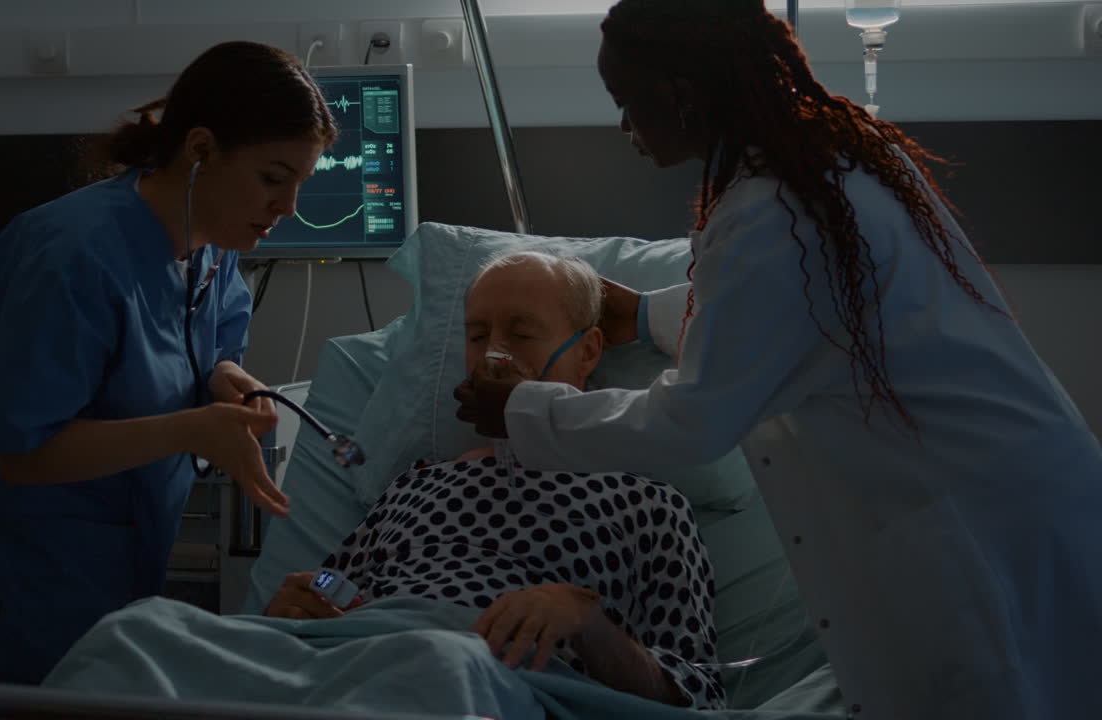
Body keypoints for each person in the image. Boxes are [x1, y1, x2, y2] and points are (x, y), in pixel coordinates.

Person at [454, 2, 1102, 718]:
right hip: (1006, 496)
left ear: (682, 94)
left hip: (978, 534)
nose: (622, 125)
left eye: (626, 100)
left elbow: (692, 421)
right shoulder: (825, 164)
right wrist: (643, 314)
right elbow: (809, 317)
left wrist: (524, 409)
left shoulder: (773, 212)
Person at [0, 41, 338, 685]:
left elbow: (206, 353)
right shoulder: (70, 254)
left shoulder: (211, 250)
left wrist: (228, 383)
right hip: (11, 587)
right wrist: (193, 430)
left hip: (113, 579)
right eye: (273, 178)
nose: (289, 207)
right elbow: (23, 452)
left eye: (302, 183)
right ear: (199, 150)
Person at [267, 252, 725, 709]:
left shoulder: (647, 504)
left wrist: (588, 623)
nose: (493, 354)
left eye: (522, 333)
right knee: (198, 642)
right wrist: (288, 616)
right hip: (361, 669)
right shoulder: (414, 485)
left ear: (587, 351)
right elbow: (326, 604)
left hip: (499, 681)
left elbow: (699, 695)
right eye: (478, 335)